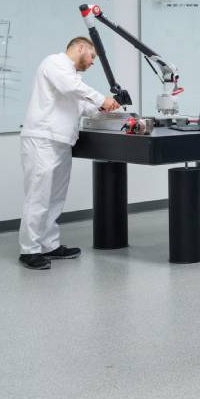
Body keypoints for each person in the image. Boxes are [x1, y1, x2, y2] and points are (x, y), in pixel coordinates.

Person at [18, 37, 120, 270]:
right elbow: (71, 88)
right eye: (92, 56)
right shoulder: (54, 63)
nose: (92, 62)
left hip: (61, 141)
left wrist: (105, 107)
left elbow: (81, 105)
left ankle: (49, 245)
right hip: (42, 140)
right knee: (39, 196)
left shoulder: (73, 77)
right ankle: (29, 250)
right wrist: (101, 98)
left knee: (55, 197)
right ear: (81, 47)